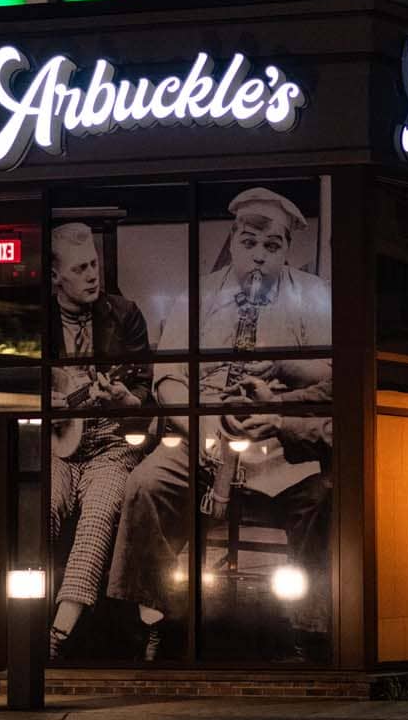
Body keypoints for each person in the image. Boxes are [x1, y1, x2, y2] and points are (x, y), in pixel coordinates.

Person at [107, 186, 334, 661]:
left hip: (278, 442)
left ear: (288, 251)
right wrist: (208, 426)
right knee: (145, 486)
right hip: (202, 436)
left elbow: (332, 375)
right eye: (249, 243)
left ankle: (310, 628)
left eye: (272, 247)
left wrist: (278, 386)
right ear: (232, 240)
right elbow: (167, 381)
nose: (258, 258)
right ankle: (158, 618)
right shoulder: (199, 295)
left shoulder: (314, 296)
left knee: (322, 499)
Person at [46, 222, 152, 656]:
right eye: (80, 268)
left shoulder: (125, 314)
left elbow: (144, 392)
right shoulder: (34, 321)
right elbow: (0, 380)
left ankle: (58, 633)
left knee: (99, 513)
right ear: (55, 277)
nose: (93, 275)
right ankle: (17, 617)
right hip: (55, 443)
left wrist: (126, 398)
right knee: (42, 508)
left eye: (94, 264)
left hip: (111, 443)